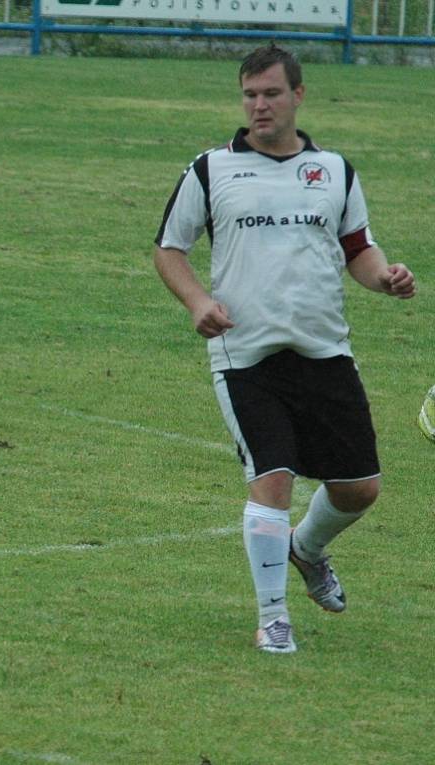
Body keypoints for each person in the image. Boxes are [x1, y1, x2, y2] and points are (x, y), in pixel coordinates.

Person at [153, 44, 416, 654]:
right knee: (271, 480)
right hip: (245, 356)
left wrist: (385, 277)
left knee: (359, 489)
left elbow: (359, 249)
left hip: (325, 351)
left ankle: (306, 548)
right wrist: (198, 302)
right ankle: (273, 618)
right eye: (249, 95)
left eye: (271, 93)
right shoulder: (210, 170)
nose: (259, 105)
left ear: (298, 95)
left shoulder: (335, 171)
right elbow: (170, 249)